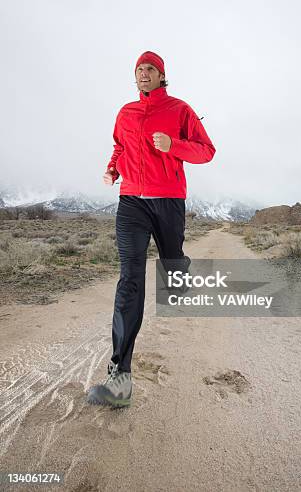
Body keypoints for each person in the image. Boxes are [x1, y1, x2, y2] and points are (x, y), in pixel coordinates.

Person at [87, 50, 216, 408]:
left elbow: (207, 151)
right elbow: (119, 146)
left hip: (168, 199)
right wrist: (113, 169)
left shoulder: (179, 109)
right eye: (139, 69)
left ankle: (178, 270)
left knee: (171, 259)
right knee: (130, 277)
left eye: (150, 69)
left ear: (162, 75)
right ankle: (120, 378)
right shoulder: (125, 113)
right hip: (131, 201)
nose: (144, 74)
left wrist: (173, 145)